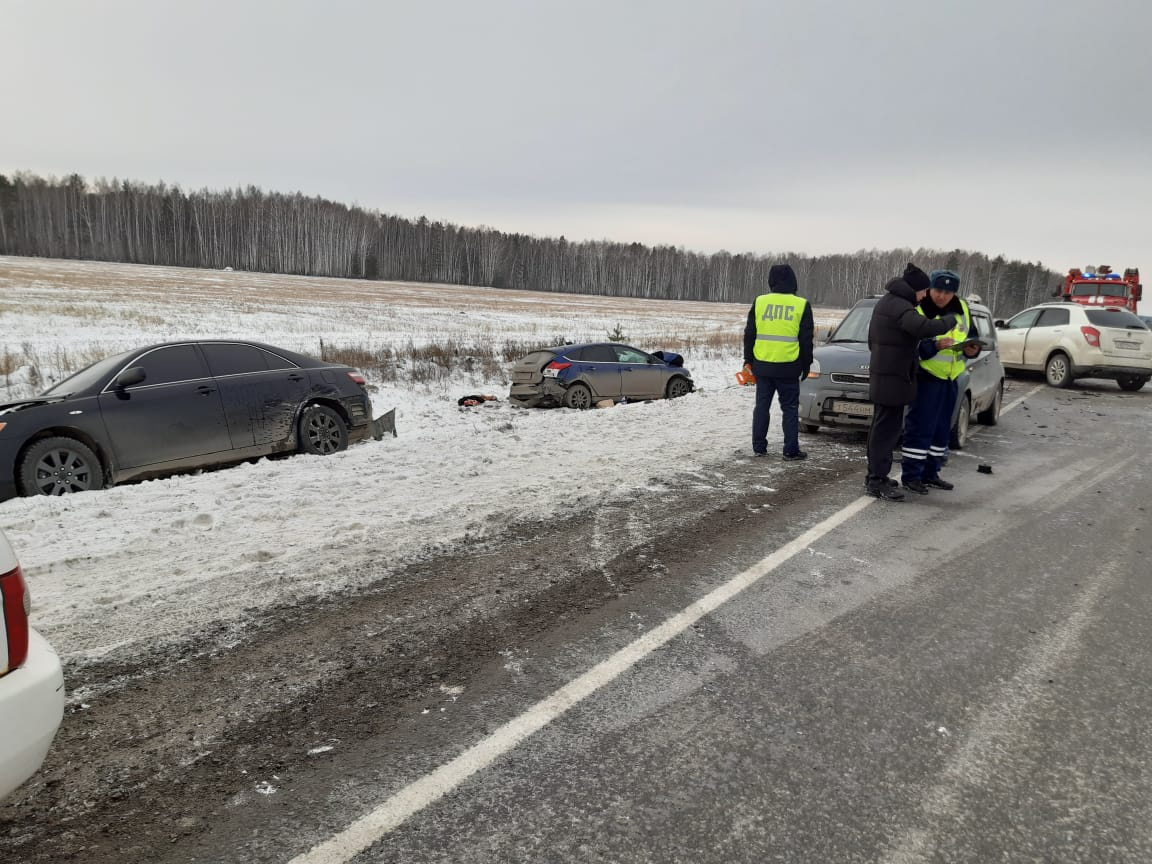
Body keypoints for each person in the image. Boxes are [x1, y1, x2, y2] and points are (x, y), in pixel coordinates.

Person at [864, 264, 958, 500]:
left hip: (888, 375)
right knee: (885, 431)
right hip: (892, 377)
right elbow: (922, 327)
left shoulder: (889, 302)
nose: (925, 295)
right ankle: (876, 481)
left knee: (883, 428)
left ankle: (878, 476)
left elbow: (872, 340)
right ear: (915, 289)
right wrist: (948, 322)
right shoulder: (900, 306)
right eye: (924, 291)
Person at [899, 269, 981, 494]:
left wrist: (972, 349)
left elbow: (971, 335)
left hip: (951, 377)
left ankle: (930, 473)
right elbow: (912, 345)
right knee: (920, 427)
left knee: (942, 428)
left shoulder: (962, 308)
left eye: (948, 292)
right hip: (927, 376)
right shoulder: (921, 308)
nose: (942, 296)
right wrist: (934, 346)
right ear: (931, 289)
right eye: (938, 290)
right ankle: (912, 475)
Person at [743, 263, 814, 460]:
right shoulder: (801, 305)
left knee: (761, 407)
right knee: (790, 409)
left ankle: (759, 447)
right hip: (789, 367)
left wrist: (747, 361)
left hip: (762, 365)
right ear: (793, 281)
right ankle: (791, 451)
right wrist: (806, 365)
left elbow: (749, 335)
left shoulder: (760, 302)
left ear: (771, 281)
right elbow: (806, 341)